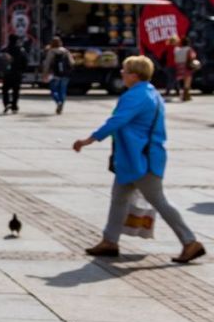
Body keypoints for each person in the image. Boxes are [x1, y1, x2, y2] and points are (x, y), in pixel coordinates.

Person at [76, 56, 203, 263]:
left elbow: (117, 120)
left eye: (124, 71)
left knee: (159, 201)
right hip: (134, 158)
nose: (122, 75)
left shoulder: (136, 96)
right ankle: (110, 241)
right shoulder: (150, 92)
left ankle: (190, 242)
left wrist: (90, 139)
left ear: (134, 75)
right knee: (119, 197)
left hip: (141, 159)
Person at [43, 35, 73, 115]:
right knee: (63, 91)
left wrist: (45, 73)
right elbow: (72, 62)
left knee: (54, 91)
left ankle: (58, 101)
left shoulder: (51, 51)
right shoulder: (66, 51)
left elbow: (47, 64)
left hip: (55, 74)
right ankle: (61, 104)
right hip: (65, 74)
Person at [0, 34, 28, 113]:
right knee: (16, 90)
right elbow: (25, 61)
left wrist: (0, 71)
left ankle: (6, 103)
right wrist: (23, 70)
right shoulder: (21, 50)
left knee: (5, 90)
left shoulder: (4, 49)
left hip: (7, 73)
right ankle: (14, 106)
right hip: (17, 73)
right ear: (17, 40)